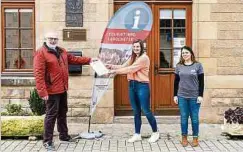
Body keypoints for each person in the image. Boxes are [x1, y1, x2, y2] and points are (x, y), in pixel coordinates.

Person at [34, 32, 94, 150]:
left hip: (62, 88)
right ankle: (47, 141)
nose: (53, 41)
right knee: (51, 115)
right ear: (46, 39)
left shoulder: (61, 51)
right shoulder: (41, 53)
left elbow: (74, 59)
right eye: (50, 38)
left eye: (55, 39)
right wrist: (42, 92)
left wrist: (90, 60)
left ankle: (64, 136)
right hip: (51, 91)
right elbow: (38, 74)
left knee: (62, 113)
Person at [108, 39, 160, 143]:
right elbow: (124, 66)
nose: (136, 49)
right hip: (132, 85)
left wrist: (114, 71)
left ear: (141, 48)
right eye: (134, 47)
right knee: (136, 111)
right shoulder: (133, 57)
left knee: (146, 110)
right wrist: (112, 66)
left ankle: (155, 132)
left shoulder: (144, 58)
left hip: (142, 86)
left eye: (138, 47)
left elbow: (130, 69)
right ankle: (137, 134)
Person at [173, 46, 204, 147]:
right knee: (184, 118)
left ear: (191, 53)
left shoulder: (198, 65)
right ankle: (184, 137)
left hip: (194, 96)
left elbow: (201, 82)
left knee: (194, 118)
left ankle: (195, 138)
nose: (184, 55)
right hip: (182, 96)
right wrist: (175, 95)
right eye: (183, 53)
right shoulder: (179, 66)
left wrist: (200, 95)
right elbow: (176, 82)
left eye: (186, 53)